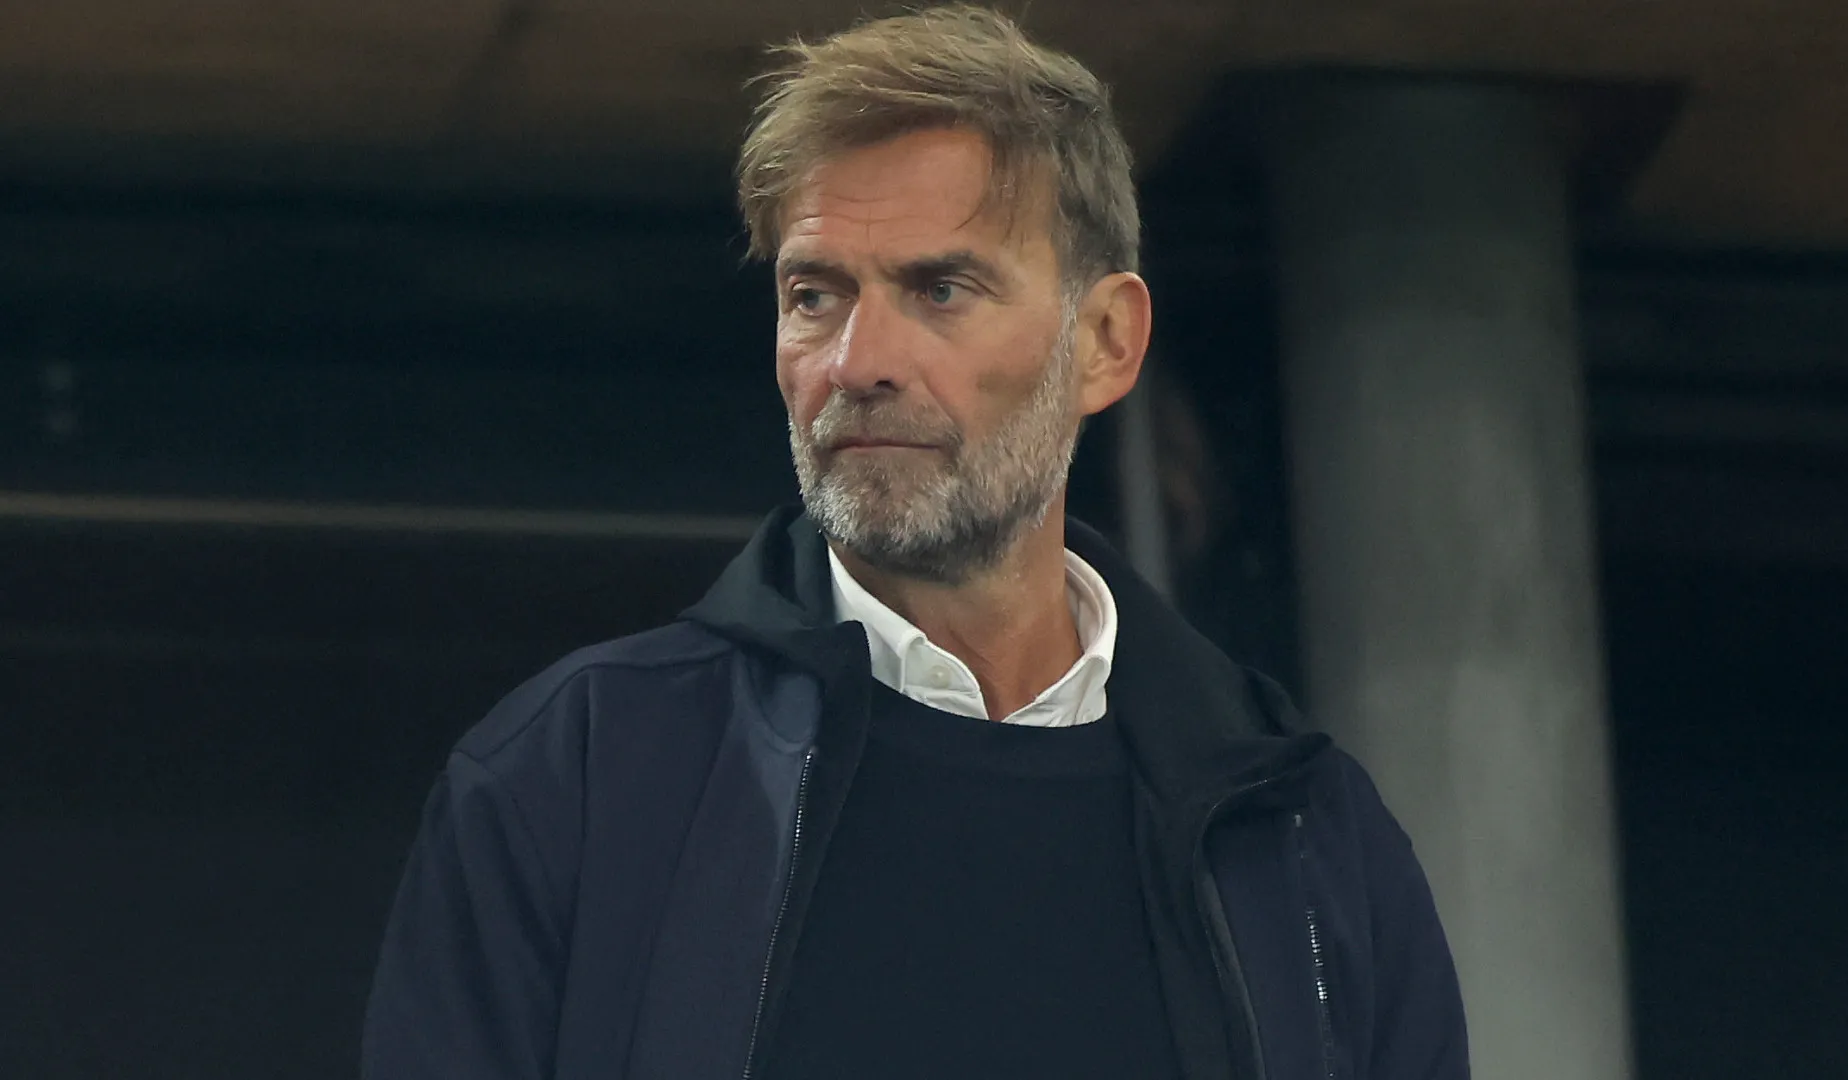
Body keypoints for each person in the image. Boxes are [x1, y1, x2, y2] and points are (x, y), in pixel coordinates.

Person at [362, 6, 1468, 1079]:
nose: (858, 362)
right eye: (814, 295)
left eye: (940, 289)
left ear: (1105, 341)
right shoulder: (576, 781)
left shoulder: (1308, 841)